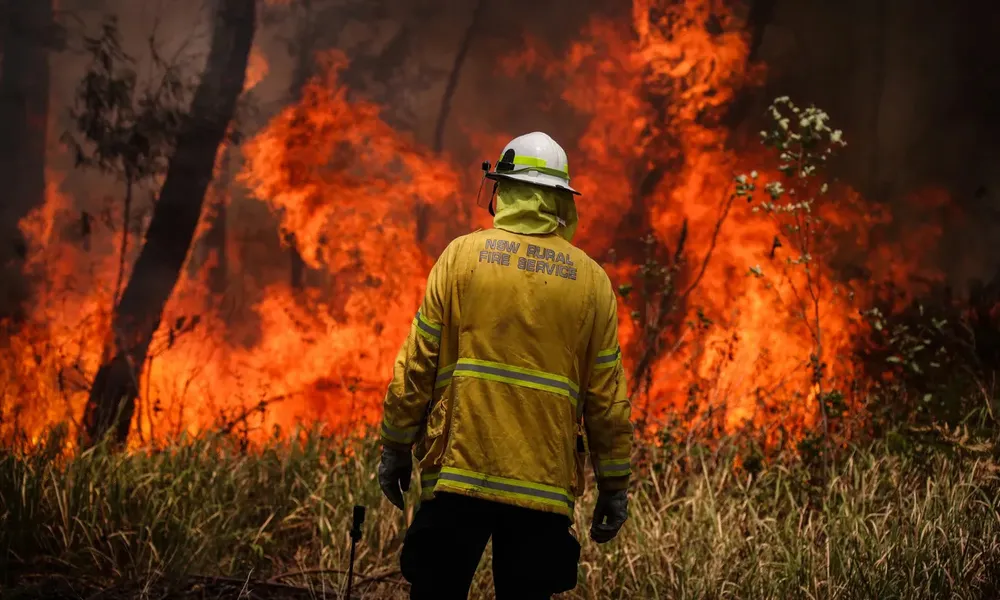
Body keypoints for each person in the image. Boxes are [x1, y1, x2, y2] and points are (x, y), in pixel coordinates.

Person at [378, 131, 633, 600]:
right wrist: (614, 486)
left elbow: (417, 365)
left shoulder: (460, 258)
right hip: (542, 489)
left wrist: (395, 445)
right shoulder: (592, 283)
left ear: (502, 189)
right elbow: (607, 400)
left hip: (459, 476)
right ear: (560, 200)